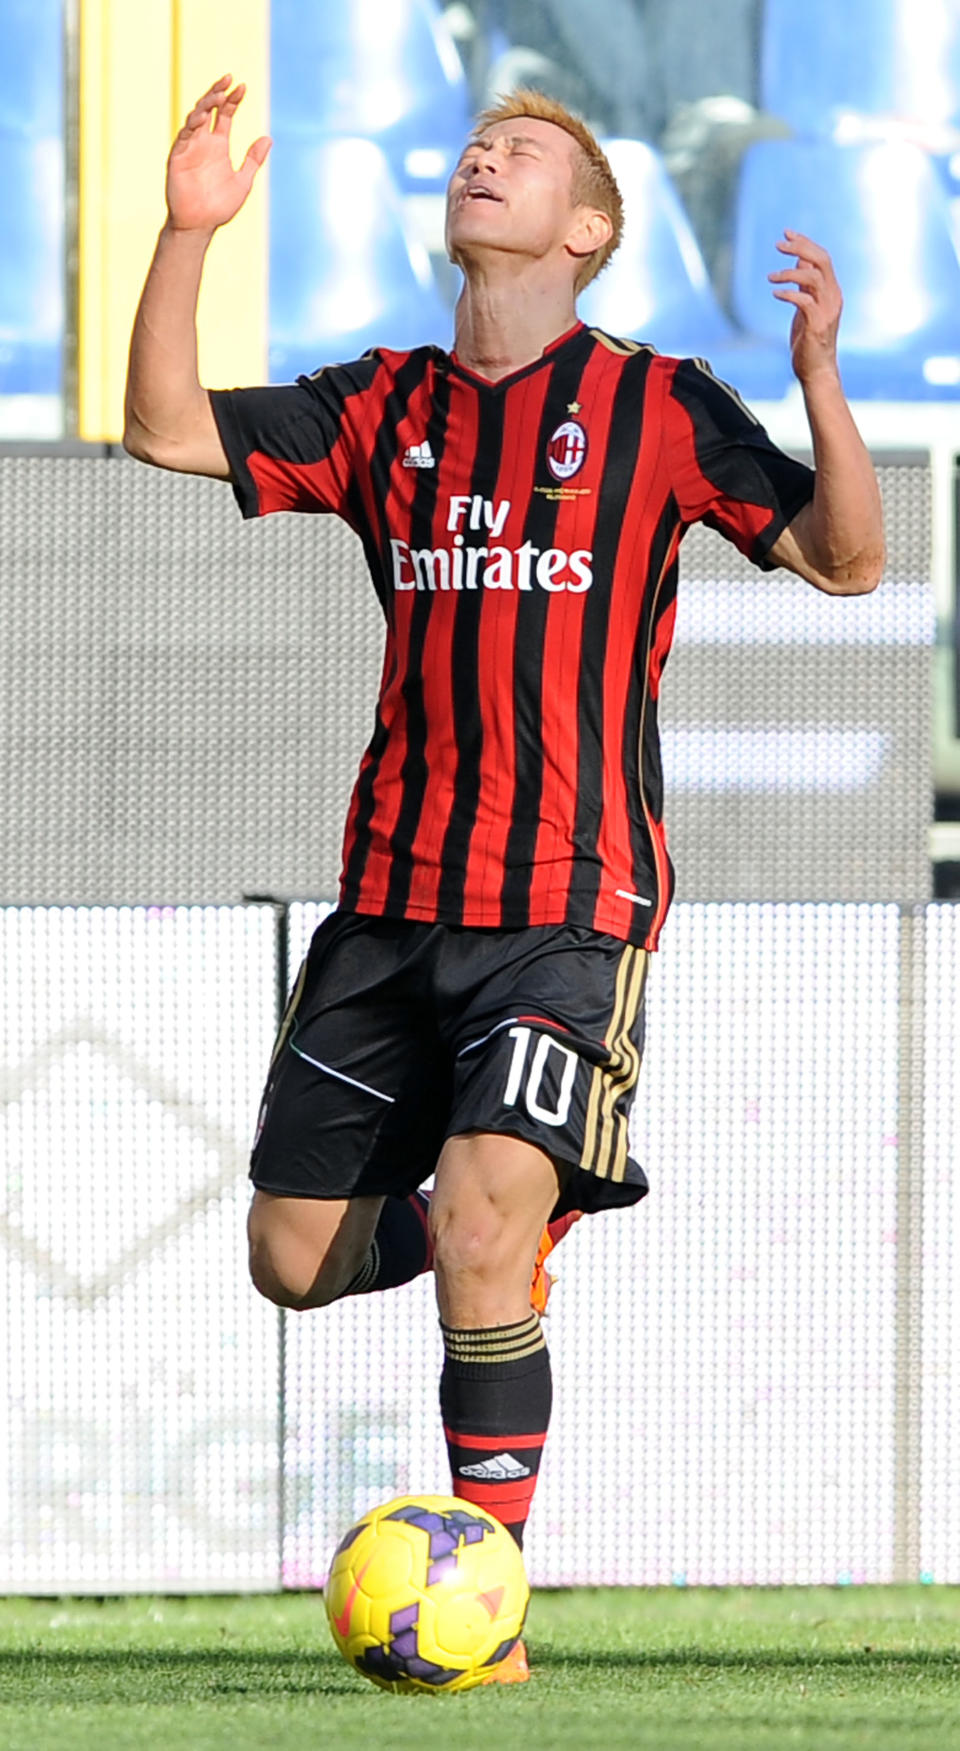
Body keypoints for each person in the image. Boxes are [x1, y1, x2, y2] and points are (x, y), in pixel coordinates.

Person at [124, 76, 884, 1683]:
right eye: (477, 146)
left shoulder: (657, 406)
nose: (486, 156)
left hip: (572, 904)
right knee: (290, 1260)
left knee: (480, 1230)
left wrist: (821, 383)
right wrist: (187, 235)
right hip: (392, 904)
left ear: (589, 231)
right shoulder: (386, 401)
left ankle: (493, 1597)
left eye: (524, 153)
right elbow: (166, 428)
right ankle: (495, 1211)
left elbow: (848, 557)